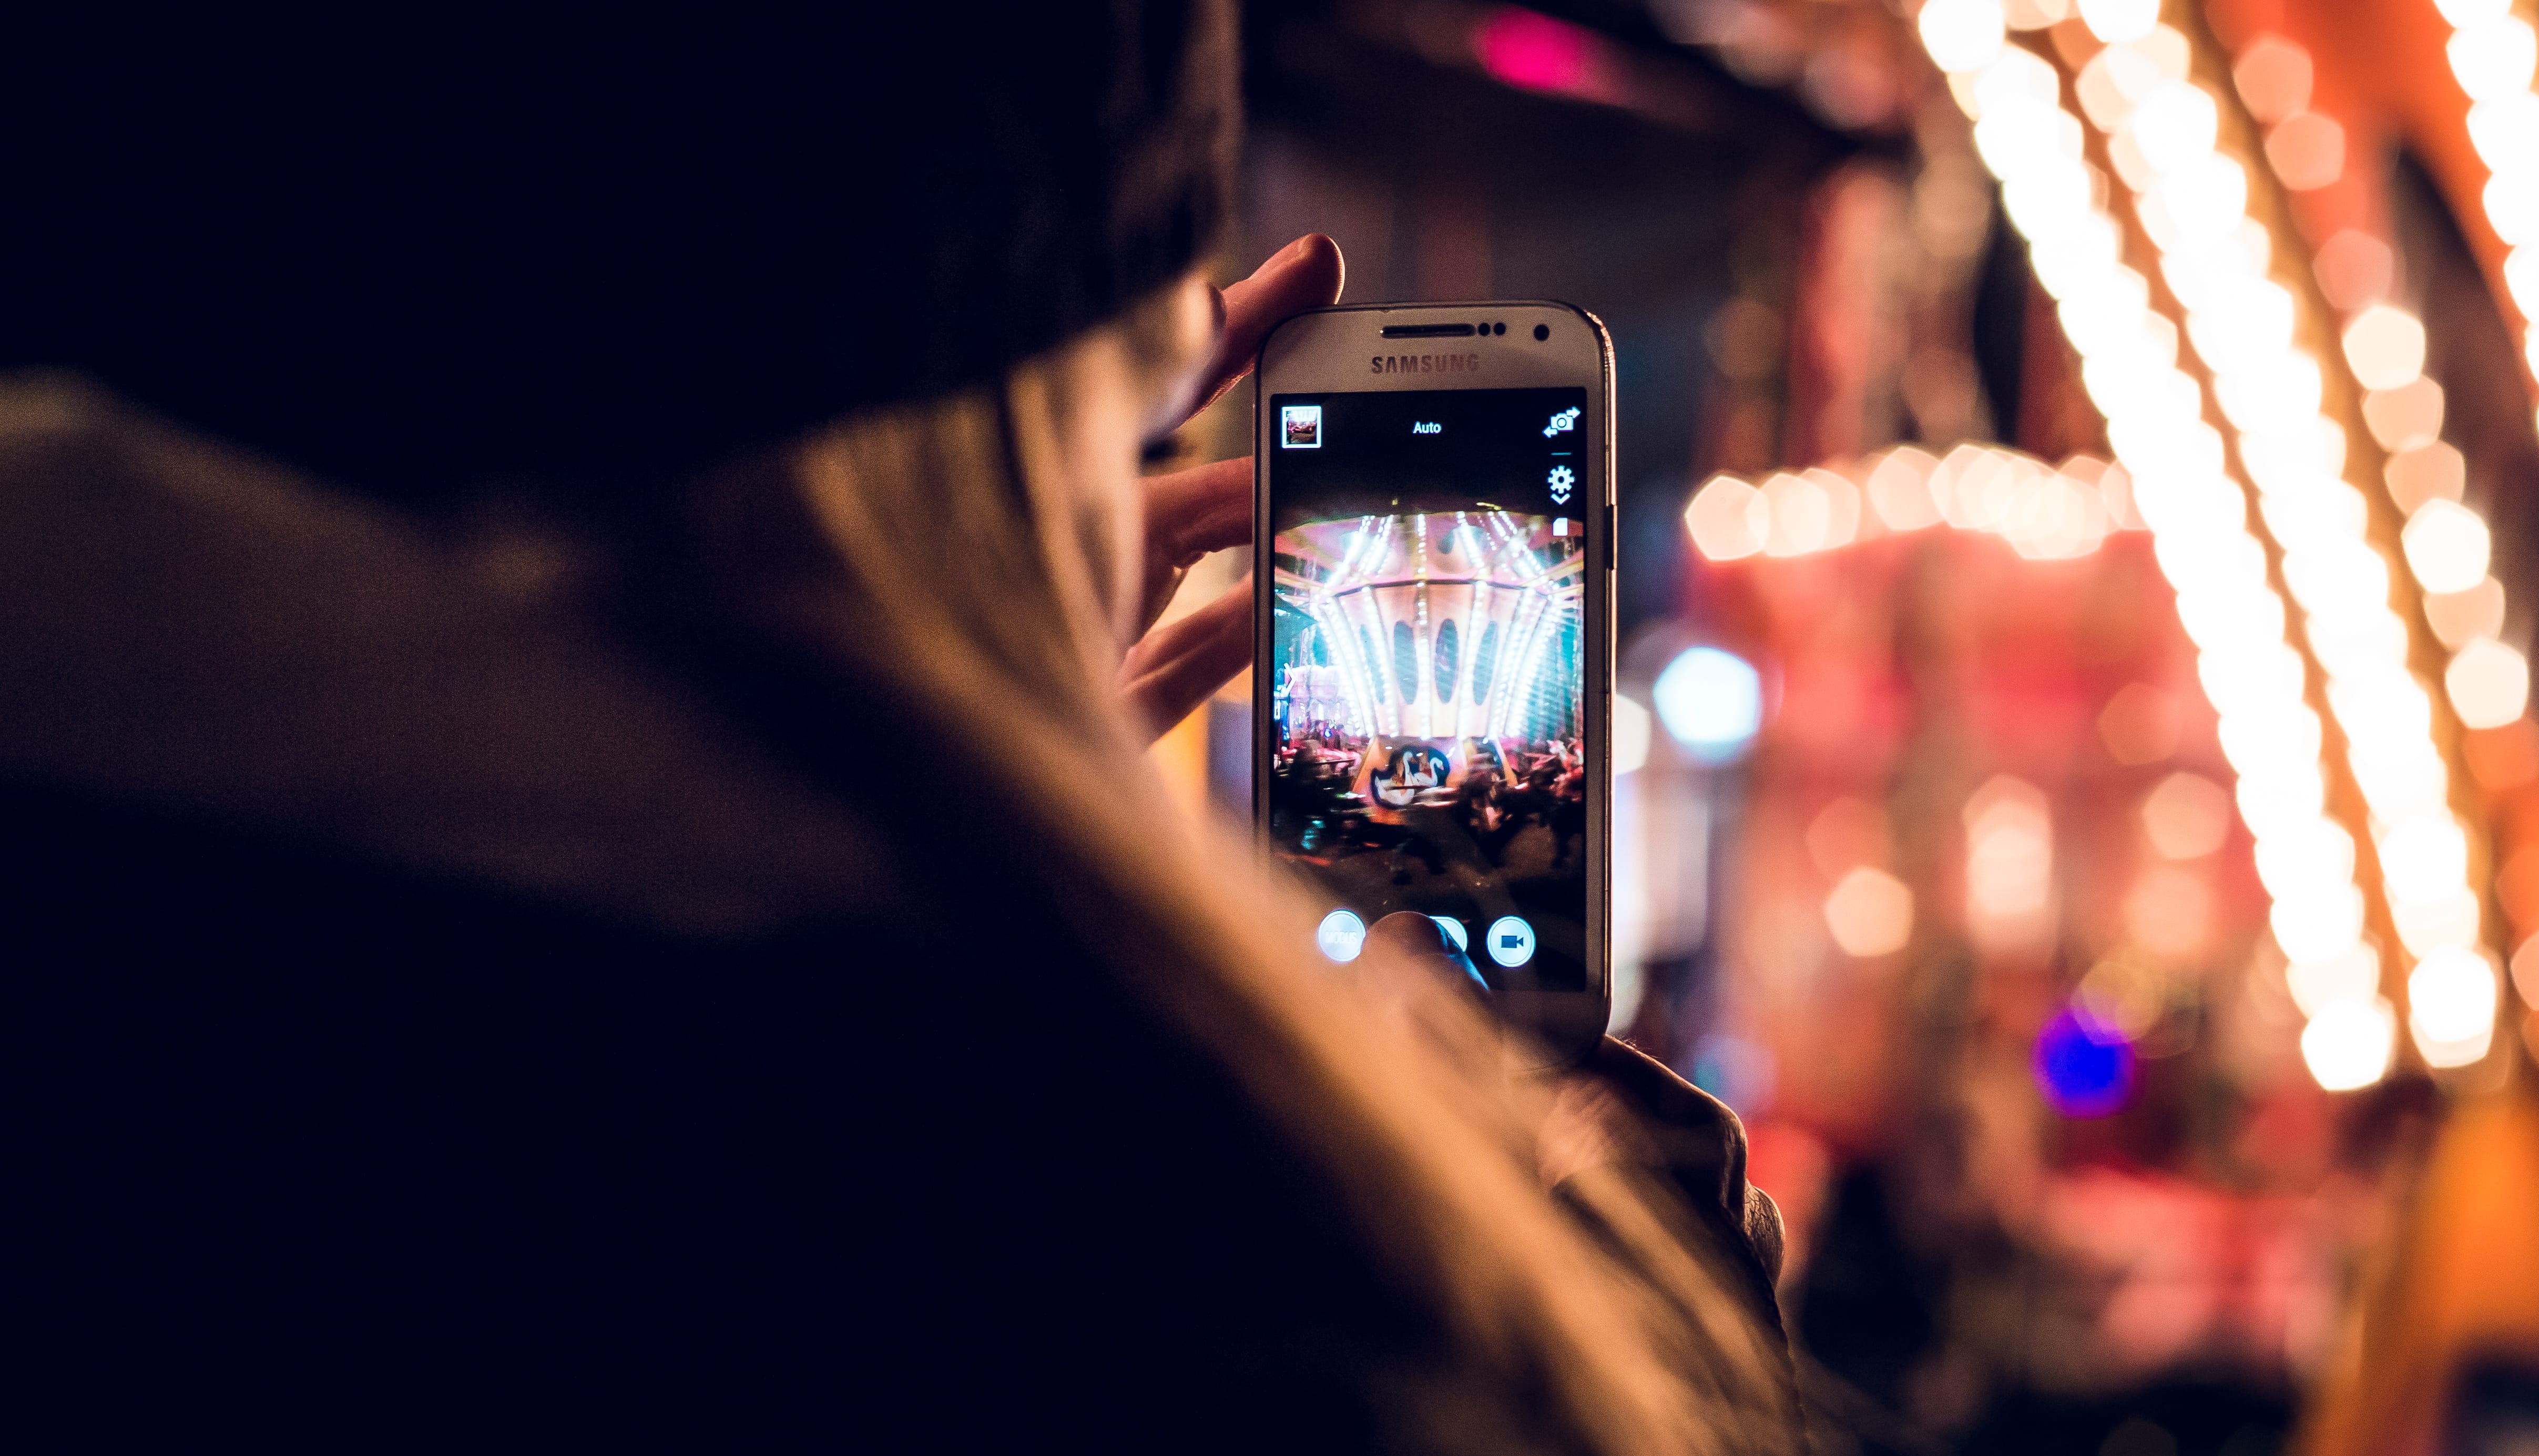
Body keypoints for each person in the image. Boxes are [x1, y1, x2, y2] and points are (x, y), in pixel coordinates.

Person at [0, 5, 1801, 1450]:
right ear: (1031, 434)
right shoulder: (1192, 1290)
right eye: (1135, 388)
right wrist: (1637, 1353)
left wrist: (935, 816)